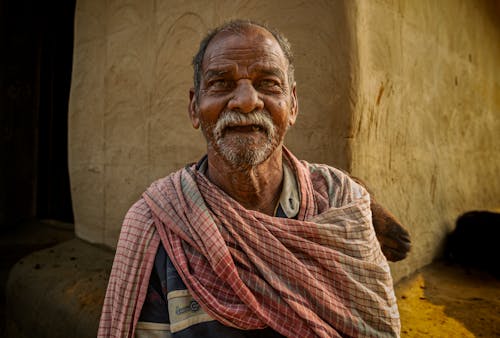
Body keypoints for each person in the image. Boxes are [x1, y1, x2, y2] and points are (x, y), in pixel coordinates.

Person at [98, 19, 408, 338]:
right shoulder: (154, 226)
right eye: (221, 83)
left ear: (293, 105)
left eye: (268, 83)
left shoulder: (341, 204)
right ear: (194, 107)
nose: (246, 101)